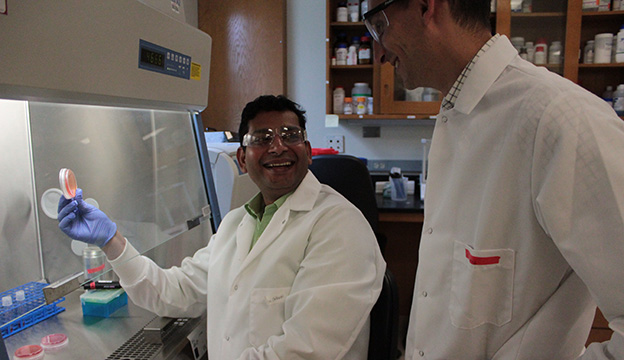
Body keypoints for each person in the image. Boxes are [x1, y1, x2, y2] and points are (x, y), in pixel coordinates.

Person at [363, 0, 624, 359]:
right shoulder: (455, 114)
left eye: (379, 25)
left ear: (426, 7)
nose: (378, 51)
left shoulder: (560, 118)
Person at [57, 95, 386, 359]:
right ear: (243, 159)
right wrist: (112, 240)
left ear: (309, 152)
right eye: (262, 138)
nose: (277, 146)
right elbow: (174, 292)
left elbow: (308, 349)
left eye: (290, 135)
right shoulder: (235, 225)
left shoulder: (339, 225)